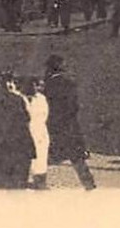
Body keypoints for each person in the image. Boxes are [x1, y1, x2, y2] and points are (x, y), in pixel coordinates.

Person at [42, 55, 98, 189]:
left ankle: (39, 184)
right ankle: (89, 184)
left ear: (49, 69)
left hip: (53, 127)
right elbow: (74, 107)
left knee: (44, 158)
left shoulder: (46, 86)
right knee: (78, 160)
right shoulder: (70, 84)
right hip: (70, 127)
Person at [18, 75, 51, 189]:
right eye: (36, 85)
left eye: (40, 86)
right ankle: (21, 180)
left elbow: (44, 114)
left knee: (40, 158)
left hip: (39, 131)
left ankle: (40, 182)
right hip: (24, 131)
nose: (38, 88)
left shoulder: (41, 98)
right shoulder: (19, 98)